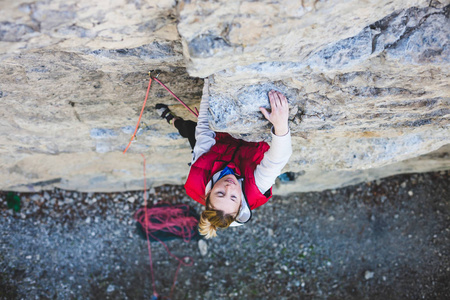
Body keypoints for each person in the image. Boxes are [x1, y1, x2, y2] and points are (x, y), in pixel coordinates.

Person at [155, 79, 292, 238]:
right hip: (249, 148)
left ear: (208, 194)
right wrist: (281, 125)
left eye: (220, 193)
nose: (229, 187)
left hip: (217, 150)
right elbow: (278, 159)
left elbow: (204, 124)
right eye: (233, 197)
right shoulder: (256, 188)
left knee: (191, 130)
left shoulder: (200, 172)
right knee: (196, 135)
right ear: (241, 202)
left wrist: (209, 81)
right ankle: (175, 122)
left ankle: (174, 121)